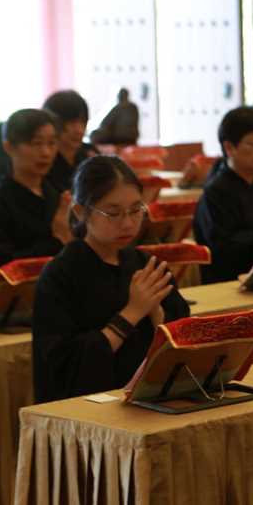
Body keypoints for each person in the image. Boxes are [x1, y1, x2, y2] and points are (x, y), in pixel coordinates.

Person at [32, 156, 189, 402]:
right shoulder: (61, 275)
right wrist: (133, 312)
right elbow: (63, 367)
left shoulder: (147, 265)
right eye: (113, 213)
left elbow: (182, 345)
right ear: (80, 211)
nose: (127, 223)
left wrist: (156, 311)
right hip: (89, 411)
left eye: (136, 210)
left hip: (155, 400)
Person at [0, 109, 72, 280]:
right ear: (8, 147)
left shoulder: (58, 194)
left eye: (52, 143)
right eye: (36, 143)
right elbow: (0, 272)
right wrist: (57, 238)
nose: (46, 152)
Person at [193, 106, 253, 283]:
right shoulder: (215, 192)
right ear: (229, 147)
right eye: (252, 145)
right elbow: (223, 248)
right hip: (228, 281)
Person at [43, 89, 99, 192]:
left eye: (82, 121)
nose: (79, 130)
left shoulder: (89, 153)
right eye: (71, 122)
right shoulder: (44, 160)